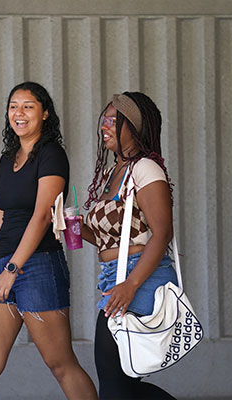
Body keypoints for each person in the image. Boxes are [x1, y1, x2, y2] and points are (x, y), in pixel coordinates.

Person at [0, 82, 97, 400]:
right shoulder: (7, 159)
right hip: (2, 266)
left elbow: (41, 217)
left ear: (45, 113)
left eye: (28, 106)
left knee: (60, 363)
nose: (19, 113)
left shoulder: (51, 155)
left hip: (37, 266)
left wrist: (13, 269)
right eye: (13, 105)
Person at [81, 92, 178, 400]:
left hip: (140, 280)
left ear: (134, 128)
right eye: (104, 120)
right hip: (116, 277)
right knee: (121, 384)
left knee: (114, 386)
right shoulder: (115, 173)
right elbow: (109, 241)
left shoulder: (145, 169)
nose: (104, 127)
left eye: (113, 121)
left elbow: (162, 234)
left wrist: (131, 285)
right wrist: (71, 227)